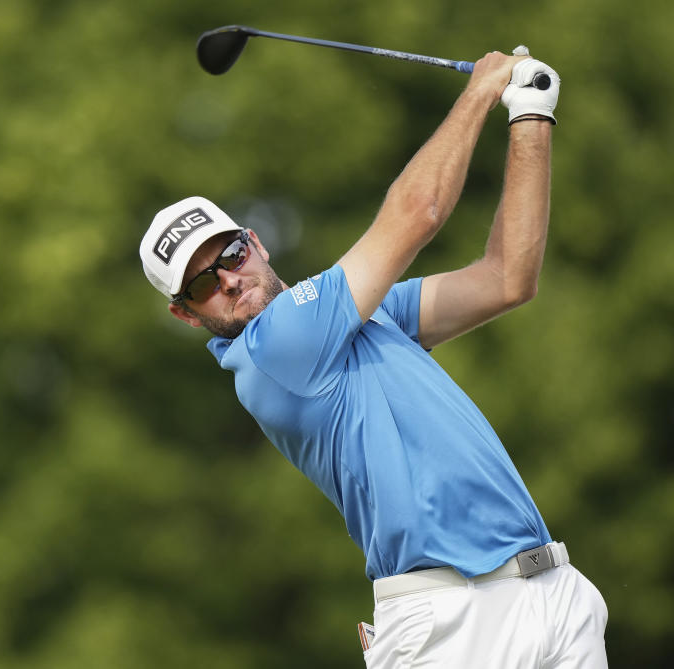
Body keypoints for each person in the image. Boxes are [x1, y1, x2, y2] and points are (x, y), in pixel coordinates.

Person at [139, 50, 608, 668]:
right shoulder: (272, 347)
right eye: (200, 284)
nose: (227, 279)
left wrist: (530, 116)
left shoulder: (360, 315)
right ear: (187, 313)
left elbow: (506, 279)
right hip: (453, 621)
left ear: (252, 242)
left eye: (228, 253)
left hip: (549, 588)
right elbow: (419, 213)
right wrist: (480, 92)